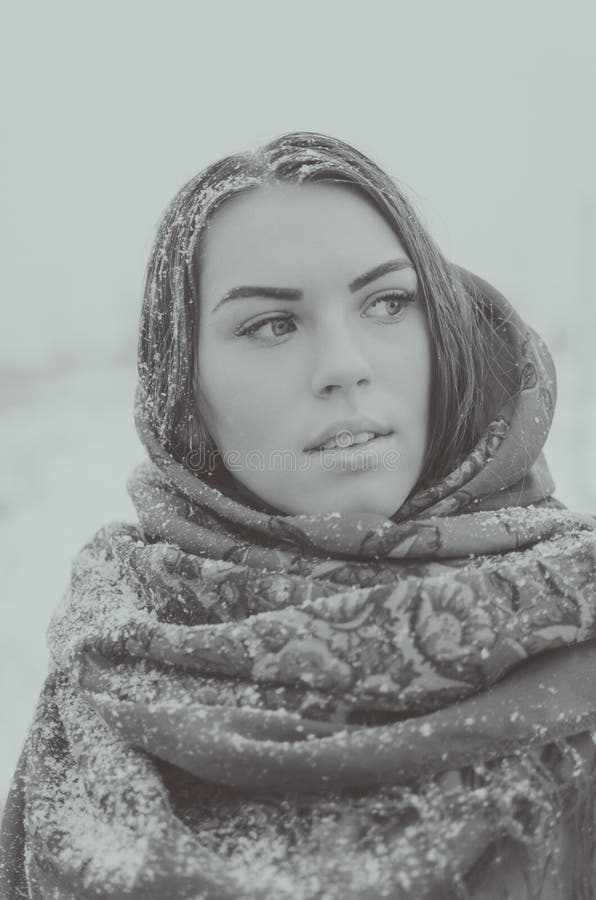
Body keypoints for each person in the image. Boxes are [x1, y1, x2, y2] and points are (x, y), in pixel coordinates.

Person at [2, 131, 596, 899]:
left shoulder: (574, 618)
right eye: (271, 325)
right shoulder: (114, 665)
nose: (346, 364)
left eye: (388, 302)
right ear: (186, 386)